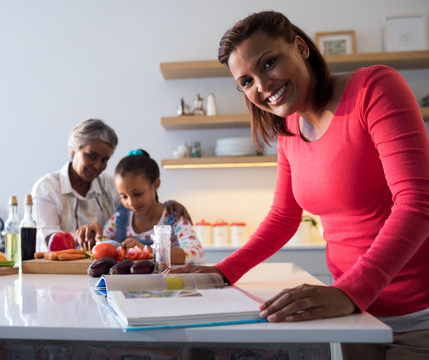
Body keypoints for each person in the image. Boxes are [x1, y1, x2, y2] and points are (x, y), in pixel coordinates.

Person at [168, 11, 429, 359]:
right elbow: (282, 217)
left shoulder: (374, 88)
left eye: (269, 62)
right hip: (353, 315)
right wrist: (222, 272)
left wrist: (350, 292)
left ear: (300, 47)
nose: (261, 86)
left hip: (416, 315)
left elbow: (417, 201)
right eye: (245, 81)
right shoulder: (289, 129)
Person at [32, 119, 191, 251]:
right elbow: (49, 241)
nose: (97, 165)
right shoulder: (47, 188)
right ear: (73, 150)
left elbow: (138, 206)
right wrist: (82, 234)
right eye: (91, 156)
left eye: (104, 160)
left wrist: (166, 205)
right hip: (55, 275)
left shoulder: (110, 185)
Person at [97, 149, 205, 265]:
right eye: (124, 196)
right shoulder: (120, 218)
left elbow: (197, 255)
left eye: (137, 194)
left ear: (156, 185)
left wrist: (149, 251)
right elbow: (101, 246)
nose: (131, 202)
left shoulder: (174, 218)